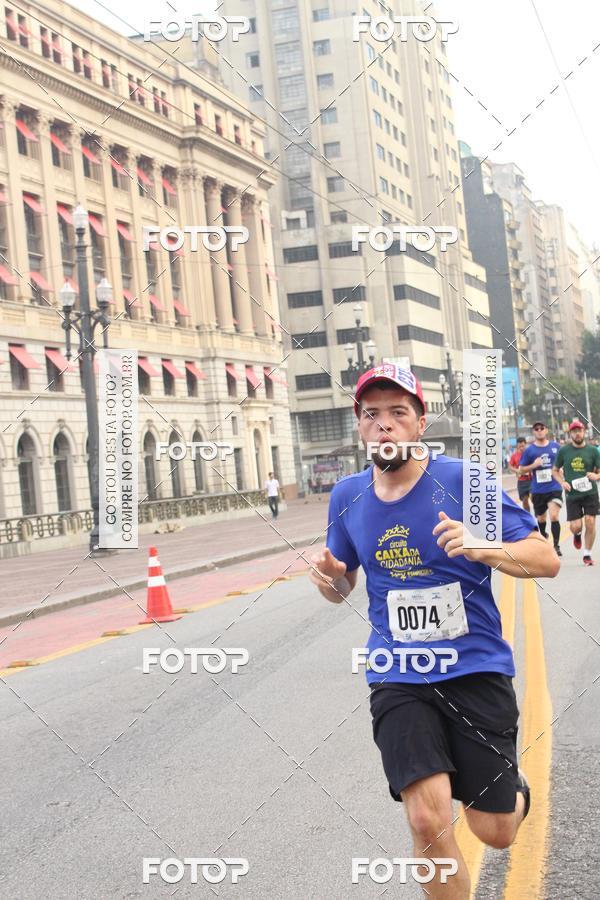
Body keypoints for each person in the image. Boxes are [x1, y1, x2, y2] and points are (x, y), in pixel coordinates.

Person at [308, 363, 559, 899]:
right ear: (360, 425)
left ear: (420, 423)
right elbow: (340, 587)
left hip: (475, 669)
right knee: (427, 820)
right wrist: (329, 579)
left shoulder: (462, 482)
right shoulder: (347, 496)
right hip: (398, 674)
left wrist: (481, 546)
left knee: (495, 831)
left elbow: (545, 558)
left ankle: (513, 794)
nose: (385, 425)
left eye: (398, 413)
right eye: (372, 414)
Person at [552, 420, 600, 566]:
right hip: (572, 494)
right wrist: (563, 482)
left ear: (584, 432)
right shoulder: (564, 451)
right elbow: (554, 470)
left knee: (590, 522)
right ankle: (577, 535)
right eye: (574, 431)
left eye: (579, 430)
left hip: (590, 492)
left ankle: (587, 554)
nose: (577, 433)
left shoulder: (592, 450)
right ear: (570, 433)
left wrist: (596, 476)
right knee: (576, 526)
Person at [518, 422, 563, 556]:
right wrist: (534, 465)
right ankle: (543, 535)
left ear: (546, 430)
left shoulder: (555, 447)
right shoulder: (529, 450)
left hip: (554, 486)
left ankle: (556, 545)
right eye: (536, 429)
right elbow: (521, 470)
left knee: (554, 515)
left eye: (542, 428)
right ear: (533, 432)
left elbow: (562, 463)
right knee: (541, 519)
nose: (539, 431)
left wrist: (563, 473)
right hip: (538, 490)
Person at [509, 437, 532, 512]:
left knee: (534, 498)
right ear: (517, 446)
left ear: (526, 444)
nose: (521, 448)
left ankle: (539, 514)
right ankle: (529, 517)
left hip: (532, 480)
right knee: (525, 502)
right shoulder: (514, 456)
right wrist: (517, 471)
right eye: (519, 446)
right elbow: (510, 466)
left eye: (523, 446)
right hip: (521, 481)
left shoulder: (531, 453)